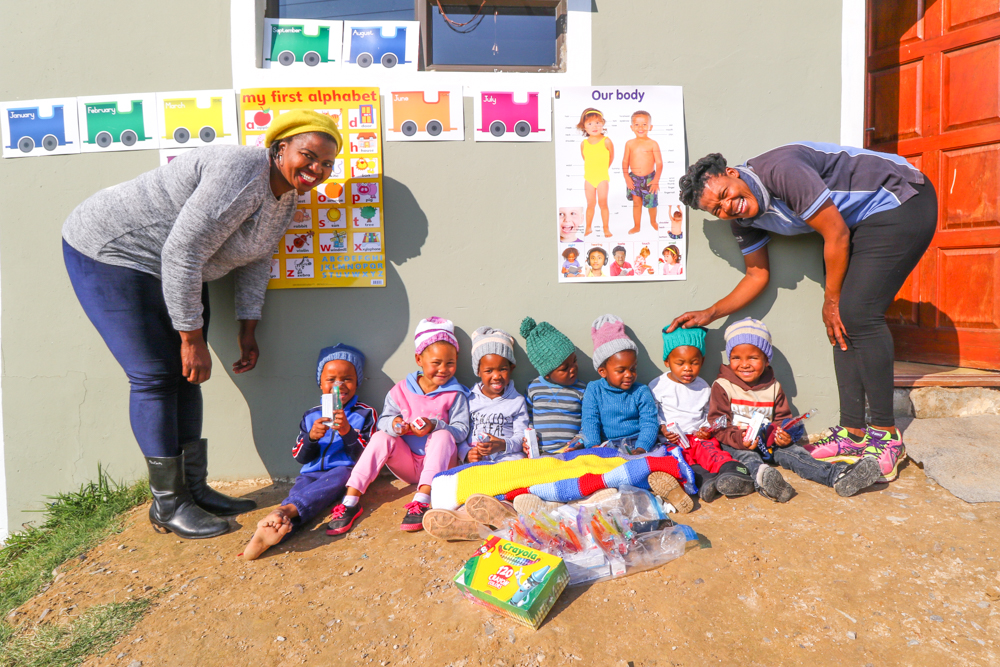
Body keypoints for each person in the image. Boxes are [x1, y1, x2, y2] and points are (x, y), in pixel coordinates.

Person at [61, 110, 342, 539]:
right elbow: (183, 251)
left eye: (327, 163)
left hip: (176, 267)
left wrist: (248, 327)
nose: (317, 169)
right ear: (280, 147)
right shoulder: (241, 172)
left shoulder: (287, 199)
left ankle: (193, 489)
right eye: (308, 155)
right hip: (113, 252)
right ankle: (168, 505)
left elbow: (257, 259)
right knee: (156, 375)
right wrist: (191, 337)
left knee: (188, 378)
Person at [671, 143, 936, 483]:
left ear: (732, 174)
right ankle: (853, 434)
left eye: (725, 193)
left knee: (858, 314)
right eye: (717, 209)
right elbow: (757, 275)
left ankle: (886, 436)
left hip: (901, 199)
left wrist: (831, 300)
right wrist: (709, 313)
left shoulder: (782, 170)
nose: (727, 207)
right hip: (859, 223)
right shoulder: (744, 219)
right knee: (841, 322)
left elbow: (835, 233)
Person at [326, 317, 471, 535]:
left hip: (440, 467)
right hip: (407, 464)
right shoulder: (401, 390)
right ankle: (351, 499)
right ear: (418, 359)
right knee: (381, 437)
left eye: (450, 363)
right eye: (436, 363)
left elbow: (461, 431)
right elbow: (384, 421)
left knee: (442, 436)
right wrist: (395, 425)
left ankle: (422, 500)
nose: (443, 369)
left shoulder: (455, 394)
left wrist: (435, 425)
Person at [709, 319, 882, 499]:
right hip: (738, 443)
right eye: (736, 358)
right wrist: (739, 439)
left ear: (766, 360)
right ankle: (767, 481)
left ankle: (837, 475)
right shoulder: (723, 386)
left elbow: (782, 418)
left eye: (752, 358)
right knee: (748, 460)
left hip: (769, 443)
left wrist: (786, 435)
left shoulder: (774, 387)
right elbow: (718, 424)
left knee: (797, 455)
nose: (744, 364)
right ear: (729, 359)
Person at [241, 344, 376, 560]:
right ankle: (271, 534)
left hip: (344, 471)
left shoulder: (364, 413)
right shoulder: (311, 415)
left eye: (347, 379)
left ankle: (282, 513)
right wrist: (311, 437)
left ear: (357, 381)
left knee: (336, 478)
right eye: (331, 380)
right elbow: (300, 456)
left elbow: (367, 457)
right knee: (303, 499)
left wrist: (346, 431)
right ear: (320, 383)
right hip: (310, 473)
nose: (339, 386)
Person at [648, 325, 759, 502]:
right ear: (667, 362)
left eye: (694, 363)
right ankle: (704, 480)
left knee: (711, 451)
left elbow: (710, 413)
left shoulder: (703, 387)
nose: (688, 369)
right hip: (673, 440)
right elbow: (651, 412)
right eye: (680, 363)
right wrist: (662, 428)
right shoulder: (657, 385)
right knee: (680, 460)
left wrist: (706, 429)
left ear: (703, 361)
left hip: (698, 436)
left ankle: (732, 471)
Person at [581, 315, 659, 454]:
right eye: (621, 370)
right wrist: (593, 446)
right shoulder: (594, 389)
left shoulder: (641, 391)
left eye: (633, 369)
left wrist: (642, 447)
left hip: (637, 443)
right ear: (602, 371)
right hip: (607, 446)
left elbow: (649, 422)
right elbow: (590, 420)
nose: (629, 374)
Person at [520, 317, 587, 456]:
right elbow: (527, 419)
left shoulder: (582, 389)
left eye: (575, 361)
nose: (573, 368)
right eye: (564, 368)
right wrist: (528, 440)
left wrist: (580, 440)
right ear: (547, 374)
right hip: (541, 454)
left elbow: (589, 421)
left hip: (571, 453)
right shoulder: (533, 388)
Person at [465, 327, 529, 463]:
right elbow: (461, 434)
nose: (496, 376)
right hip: (477, 458)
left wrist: (502, 444)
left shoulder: (517, 401)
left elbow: (521, 437)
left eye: (503, 369)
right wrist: (465, 453)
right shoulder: (469, 398)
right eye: (489, 370)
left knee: (519, 464)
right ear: (478, 371)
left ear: (511, 368)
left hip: (507, 456)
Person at [621, 110, 662, 234]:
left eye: (644, 124)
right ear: (632, 127)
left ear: (650, 127)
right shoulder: (629, 144)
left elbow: (659, 163)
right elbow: (624, 161)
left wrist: (656, 181)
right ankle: (637, 226)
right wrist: (626, 177)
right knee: (636, 203)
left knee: (651, 204)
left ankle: (653, 221)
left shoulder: (653, 144)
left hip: (650, 179)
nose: (641, 127)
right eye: (637, 125)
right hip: (634, 179)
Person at [578, 108, 614, 237]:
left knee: (603, 203)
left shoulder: (606, 141)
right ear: (584, 127)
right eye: (590, 124)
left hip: (602, 178)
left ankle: (606, 228)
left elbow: (611, 157)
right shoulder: (584, 144)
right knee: (590, 204)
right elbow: (585, 158)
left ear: (603, 124)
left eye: (598, 123)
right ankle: (588, 228)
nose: (594, 126)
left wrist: (603, 169)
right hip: (589, 178)